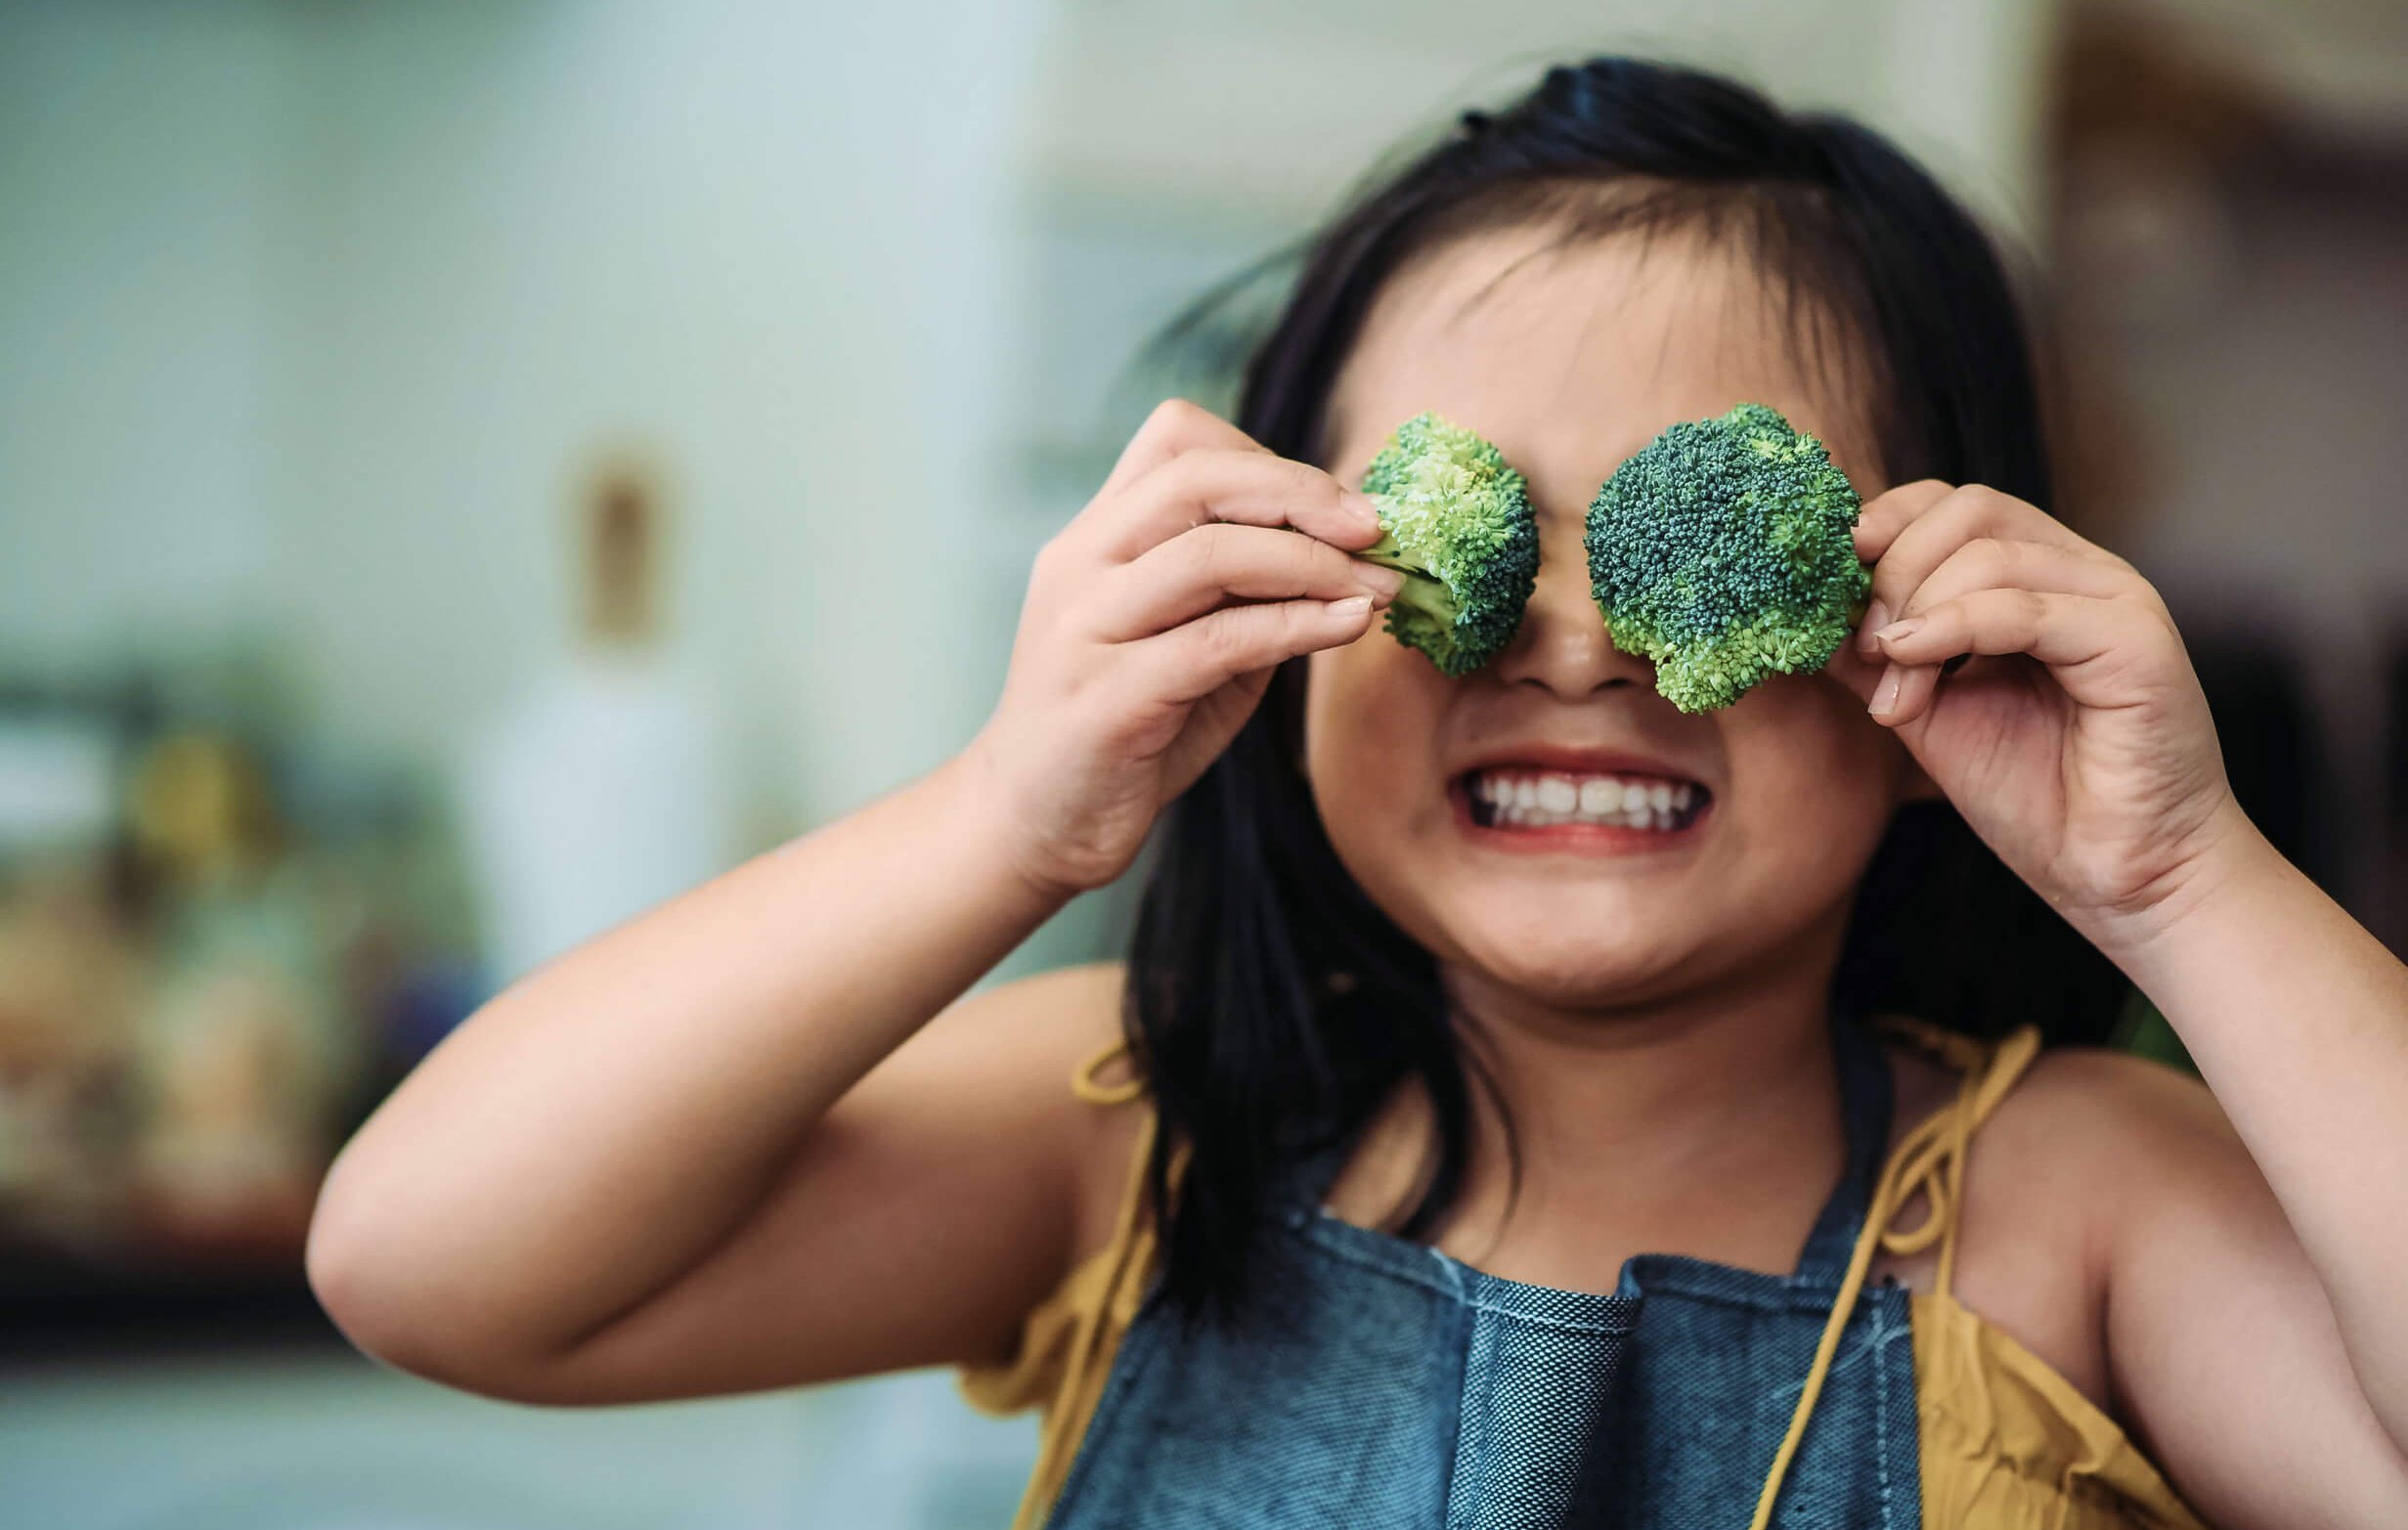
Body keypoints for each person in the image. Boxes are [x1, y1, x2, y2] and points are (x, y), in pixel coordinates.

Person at [304, 58, 2408, 1528]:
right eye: (1446, 530)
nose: (1570, 646)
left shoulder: (2078, 1205)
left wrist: (2178, 878)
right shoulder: (1141, 1130)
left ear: (1938, 650)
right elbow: (425, 1260)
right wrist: (1002, 816)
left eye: (1692, 542)